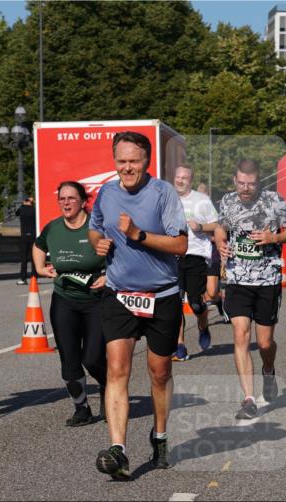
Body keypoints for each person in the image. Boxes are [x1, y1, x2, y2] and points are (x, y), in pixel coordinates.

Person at [88, 131, 188, 480]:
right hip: (119, 293)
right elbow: (95, 229)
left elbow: (180, 246)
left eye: (133, 161)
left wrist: (138, 236)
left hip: (162, 296)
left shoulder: (163, 194)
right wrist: (99, 243)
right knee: (117, 369)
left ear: (146, 161)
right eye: (121, 161)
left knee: (159, 373)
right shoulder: (107, 192)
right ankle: (119, 449)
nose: (126, 168)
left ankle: (159, 435)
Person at [215, 158, 286, 420]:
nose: (246, 188)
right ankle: (249, 399)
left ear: (259, 181)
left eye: (251, 184)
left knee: (264, 342)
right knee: (241, 334)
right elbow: (220, 227)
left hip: (267, 279)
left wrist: (274, 237)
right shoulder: (227, 201)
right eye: (241, 183)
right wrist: (221, 243)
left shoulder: (274, 200)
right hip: (238, 278)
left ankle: (269, 369)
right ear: (234, 180)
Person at [33, 181, 107, 426]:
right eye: (61, 199)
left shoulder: (96, 227)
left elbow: (119, 253)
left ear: (83, 201)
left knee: (93, 358)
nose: (65, 203)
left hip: (96, 300)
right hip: (65, 299)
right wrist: (40, 268)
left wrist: (108, 276)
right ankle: (82, 408)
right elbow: (38, 245)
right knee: (69, 359)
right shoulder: (53, 228)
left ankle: (108, 387)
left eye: (71, 198)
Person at [172, 164, 219, 361]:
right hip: (173, 255)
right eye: (178, 177)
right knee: (174, 303)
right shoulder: (167, 199)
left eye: (184, 177)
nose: (180, 180)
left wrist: (200, 226)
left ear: (190, 180)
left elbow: (217, 225)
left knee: (196, 305)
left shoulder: (202, 200)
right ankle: (179, 345)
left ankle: (203, 325)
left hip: (196, 255)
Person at [17, 196, 37, 285]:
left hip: (24, 236)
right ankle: (34, 278)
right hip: (33, 235)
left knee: (24, 259)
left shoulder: (21, 209)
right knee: (34, 259)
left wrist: (23, 205)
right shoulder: (34, 210)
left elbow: (16, 213)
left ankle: (23, 278)